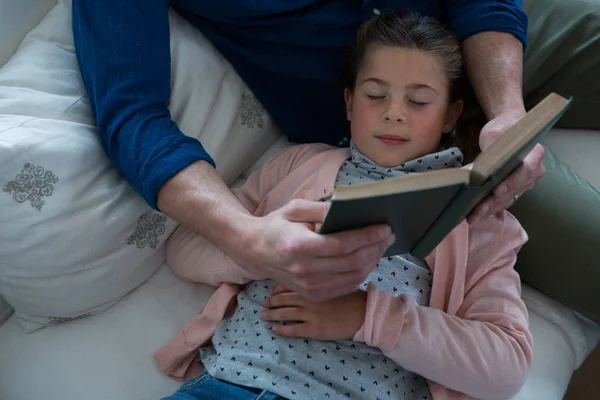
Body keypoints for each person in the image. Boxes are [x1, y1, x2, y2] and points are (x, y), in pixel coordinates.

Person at [156, 12, 533, 400]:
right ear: (350, 103)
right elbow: (183, 247)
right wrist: (260, 250)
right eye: (375, 95)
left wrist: (369, 316)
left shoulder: (479, 217)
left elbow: (506, 368)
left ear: (449, 116)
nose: (394, 112)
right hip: (230, 383)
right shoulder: (297, 165)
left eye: (418, 101)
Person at [71, 0, 542, 303]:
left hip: (491, 54)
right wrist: (247, 239)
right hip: (440, 129)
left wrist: (509, 111)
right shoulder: (304, 167)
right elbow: (132, 117)